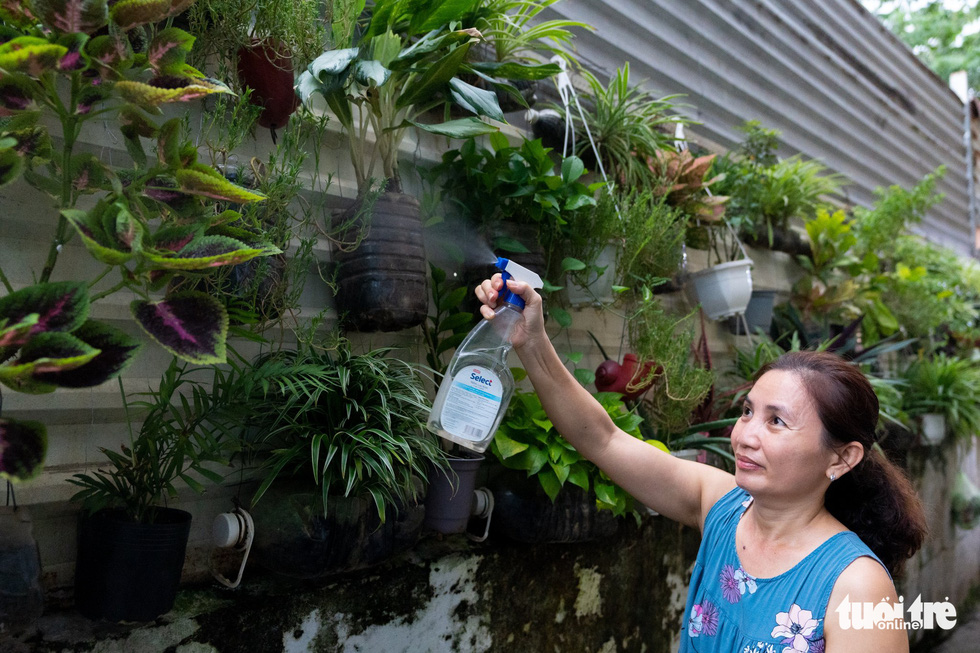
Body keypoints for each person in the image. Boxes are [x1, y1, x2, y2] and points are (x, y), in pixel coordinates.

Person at [476, 275, 927, 653]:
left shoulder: (859, 587)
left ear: (841, 457)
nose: (745, 435)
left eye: (777, 422)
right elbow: (603, 438)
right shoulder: (722, 507)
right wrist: (531, 342)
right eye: (748, 411)